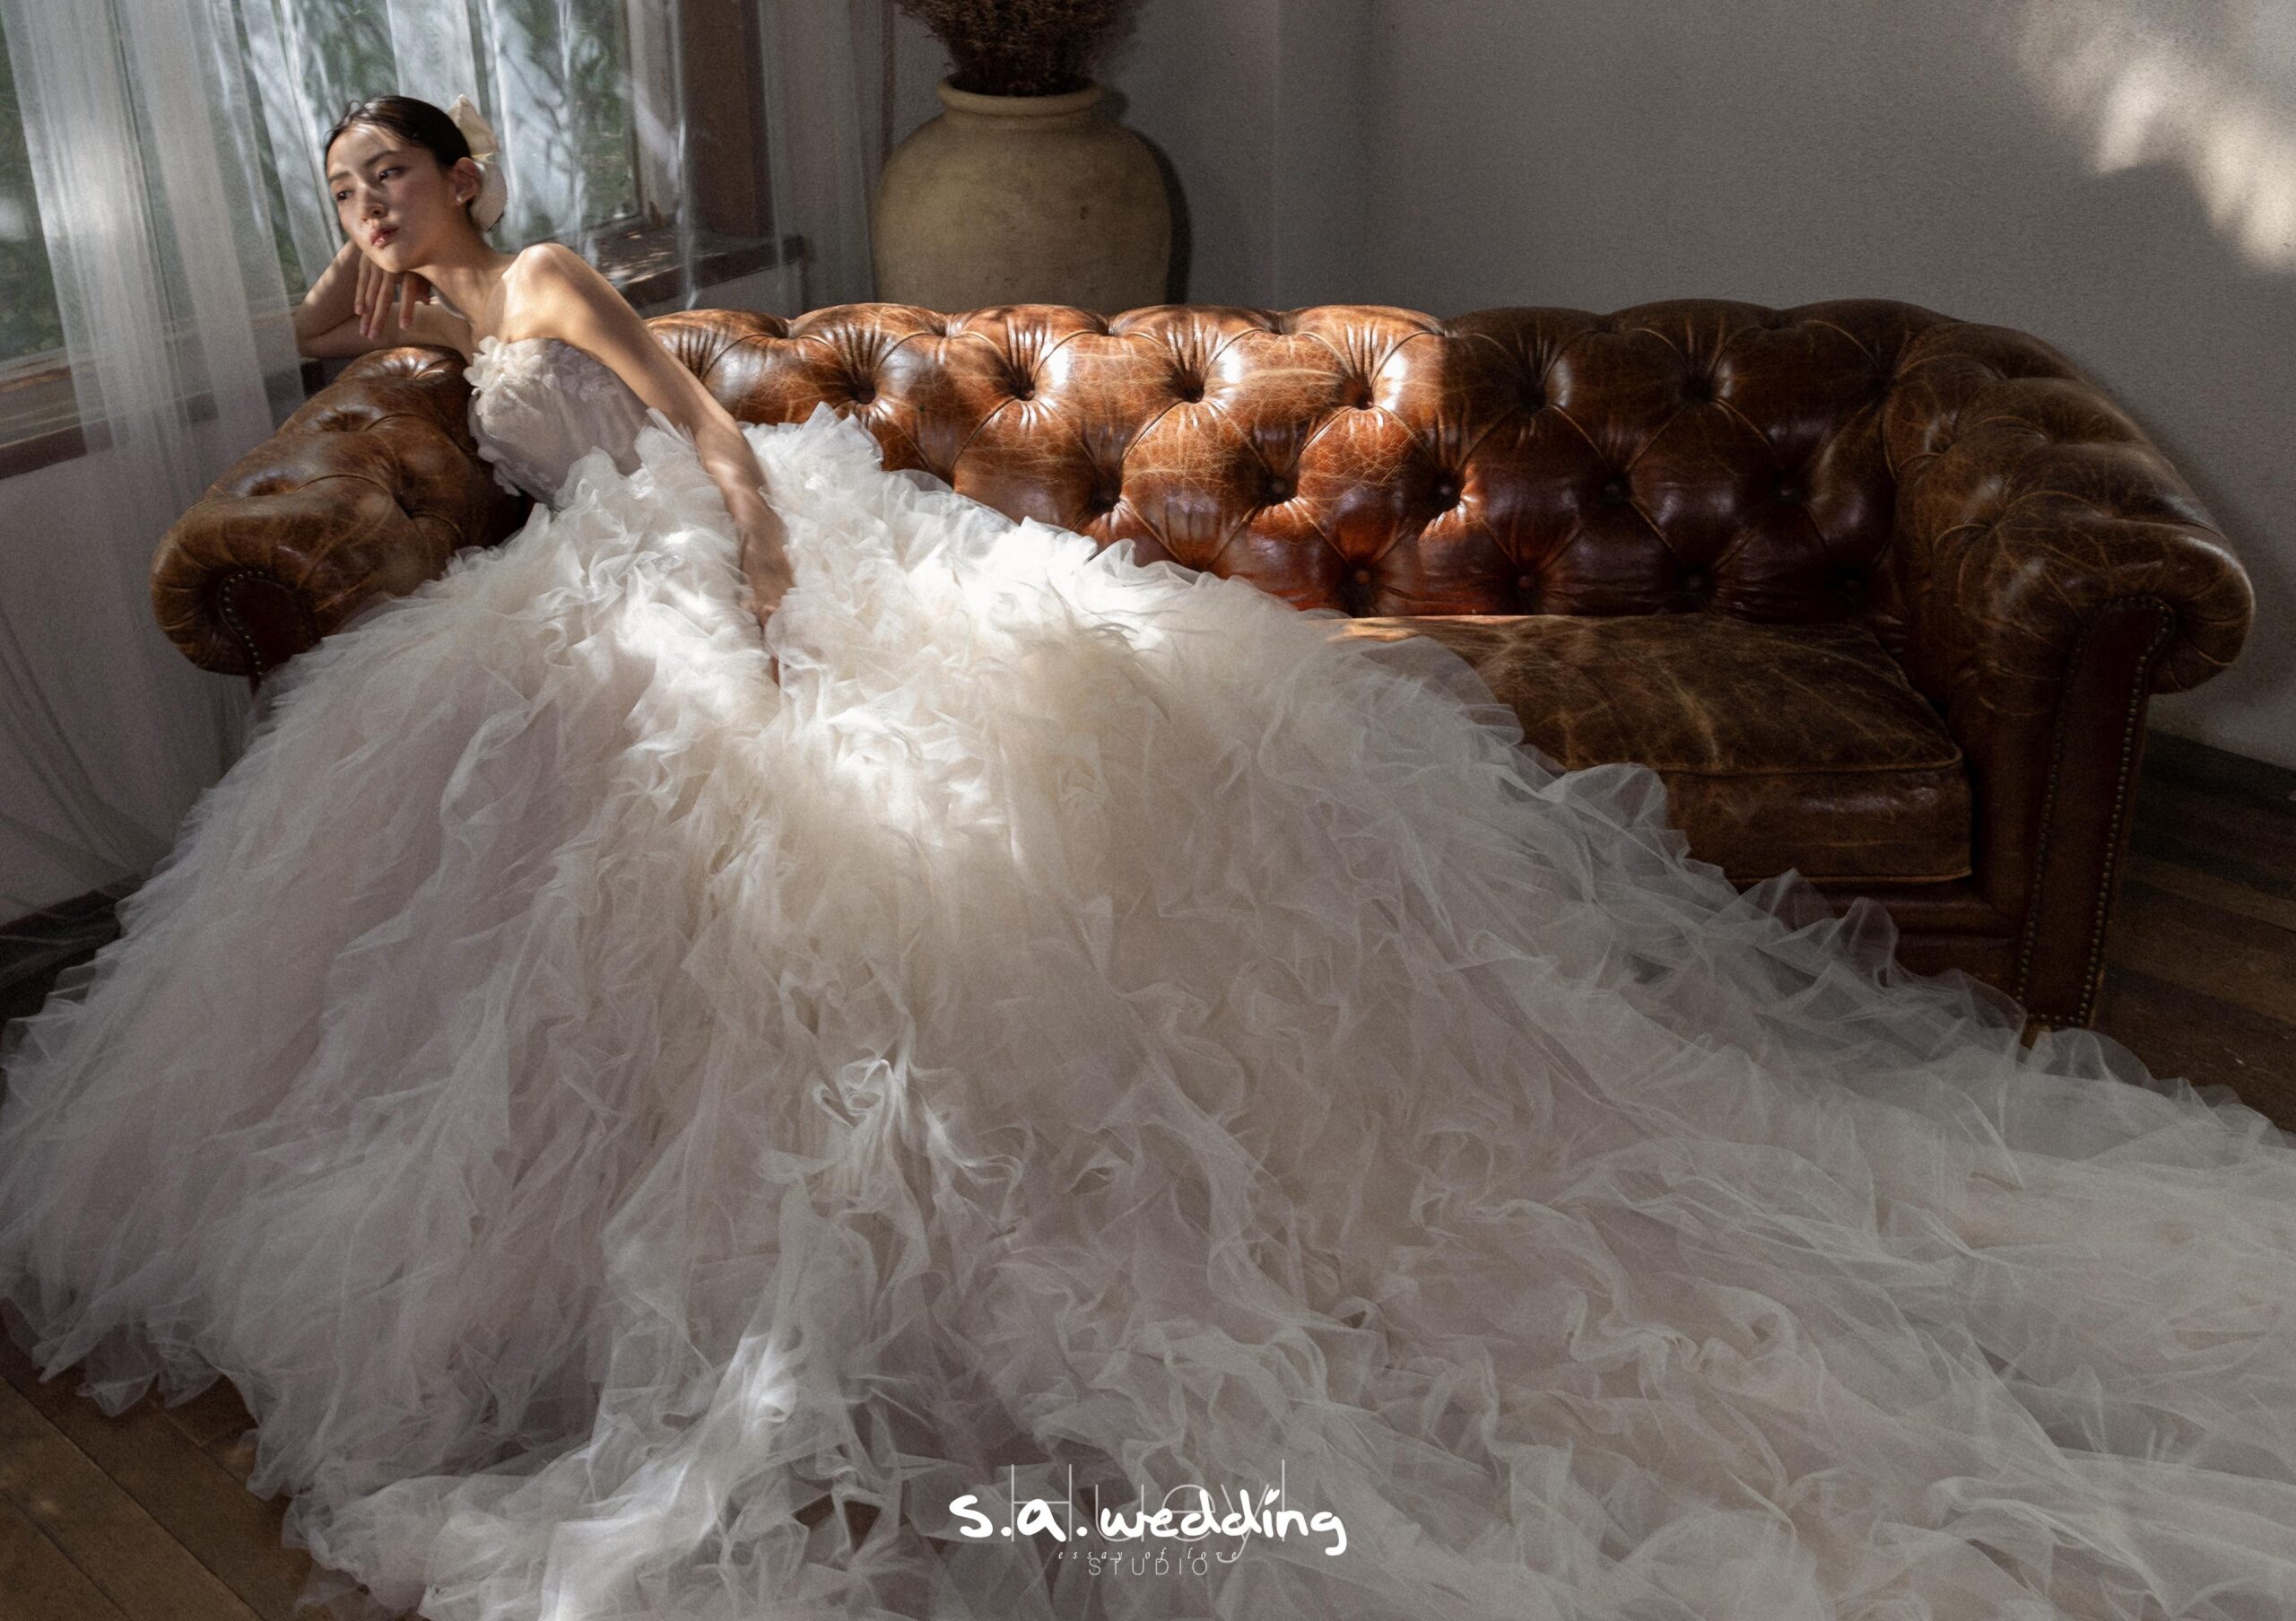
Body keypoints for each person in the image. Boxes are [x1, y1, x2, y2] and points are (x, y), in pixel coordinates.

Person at [3, 92, 2295, 1621]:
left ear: (462, 170)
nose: (366, 210)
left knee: (832, 831)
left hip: (691, 541)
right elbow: (318, 345)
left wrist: (754, 548)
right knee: (531, 823)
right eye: (344, 186)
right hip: (563, 596)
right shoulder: (408, 305)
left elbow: (696, 418)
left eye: (387, 176)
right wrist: (357, 279)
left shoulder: (540, 280)